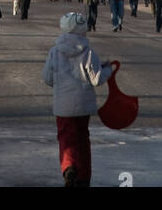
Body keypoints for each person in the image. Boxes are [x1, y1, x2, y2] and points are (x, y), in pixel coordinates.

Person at [42, 12, 114, 188]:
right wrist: (108, 70)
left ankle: (69, 168)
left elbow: (47, 78)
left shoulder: (55, 51)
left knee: (66, 138)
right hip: (83, 105)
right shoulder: (88, 52)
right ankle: (84, 176)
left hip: (63, 105)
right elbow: (96, 79)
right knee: (83, 138)